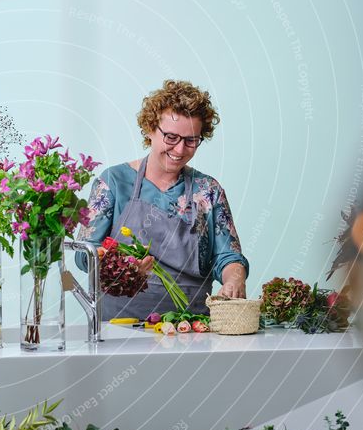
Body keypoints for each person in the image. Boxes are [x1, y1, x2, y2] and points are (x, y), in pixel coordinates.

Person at [76, 80, 249, 320]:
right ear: (149, 129)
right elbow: (84, 252)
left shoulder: (208, 191)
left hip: (190, 326)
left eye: (191, 140)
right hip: (118, 326)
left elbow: (227, 256)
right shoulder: (113, 182)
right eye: (170, 137)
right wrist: (119, 267)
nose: (179, 150)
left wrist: (235, 278)